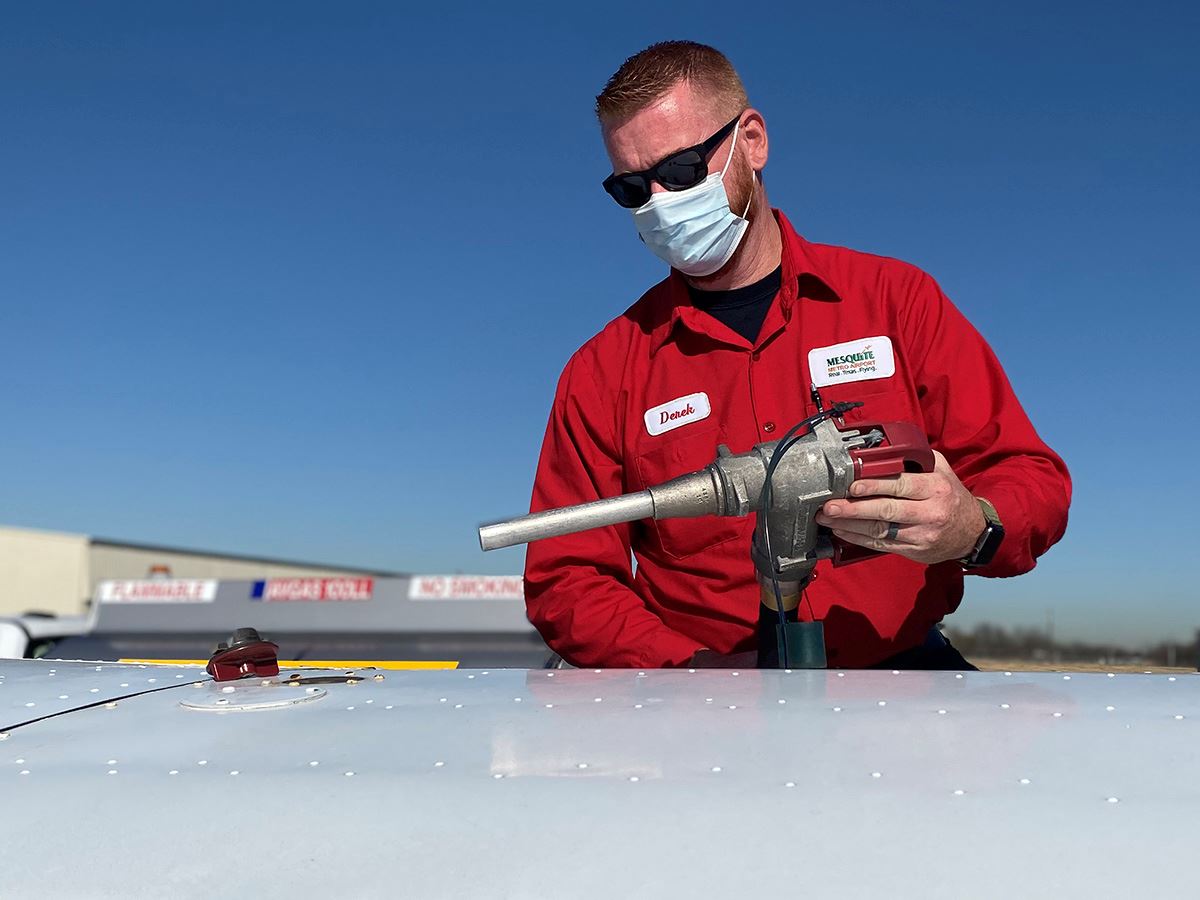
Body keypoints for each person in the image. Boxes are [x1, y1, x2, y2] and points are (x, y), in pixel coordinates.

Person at [523, 41, 1070, 669]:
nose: (659, 203)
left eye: (678, 173)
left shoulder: (897, 301)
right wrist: (693, 682)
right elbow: (566, 577)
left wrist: (974, 526)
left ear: (750, 142)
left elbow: (1028, 473)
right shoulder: (603, 371)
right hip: (695, 705)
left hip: (901, 683)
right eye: (631, 188)